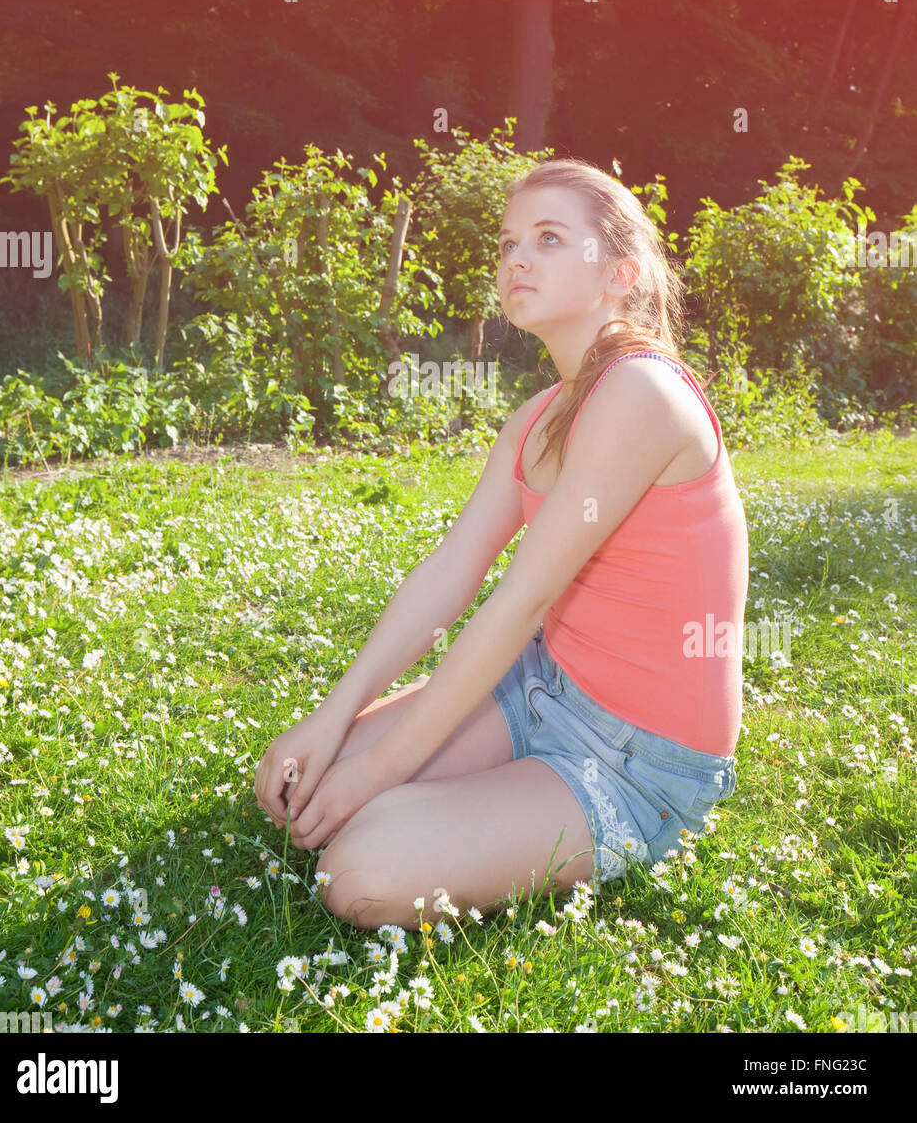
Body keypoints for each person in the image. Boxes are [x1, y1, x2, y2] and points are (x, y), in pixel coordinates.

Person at [254, 158, 749, 931]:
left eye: (549, 239)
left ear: (621, 273)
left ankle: (564, 818)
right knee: (292, 787)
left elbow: (522, 600)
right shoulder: (537, 416)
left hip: (636, 755)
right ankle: (466, 794)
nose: (515, 257)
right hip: (541, 687)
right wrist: (329, 717)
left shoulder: (643, 392)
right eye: (509, 241)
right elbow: (451, 573)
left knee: (357, 873)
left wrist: (380, 771)